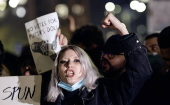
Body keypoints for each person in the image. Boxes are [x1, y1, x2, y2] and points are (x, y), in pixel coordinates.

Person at [46, 13, 152, 105]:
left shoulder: (106, 92)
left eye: (76, 60)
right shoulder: (49, 99)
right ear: (57, 71)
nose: (69, 65)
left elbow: (140, 72)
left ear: (86, 67)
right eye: (63, 61)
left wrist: (121, 29)